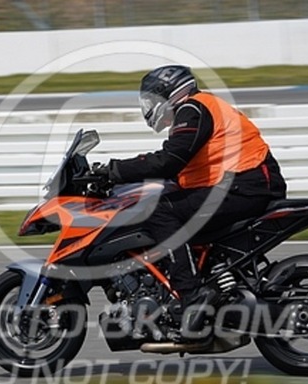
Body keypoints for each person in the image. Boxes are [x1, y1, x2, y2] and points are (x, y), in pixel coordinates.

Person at [95, 65, 287, 320]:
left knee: (158, 210)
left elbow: (169, 160)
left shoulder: (193, 109)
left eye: (152, 100)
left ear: (170, 92)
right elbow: (183, 166)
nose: (150, 106)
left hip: (246, 185)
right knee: (168, 201)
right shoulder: (198, 108)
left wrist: (113, 170)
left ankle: (191, 295)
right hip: (244, 184)